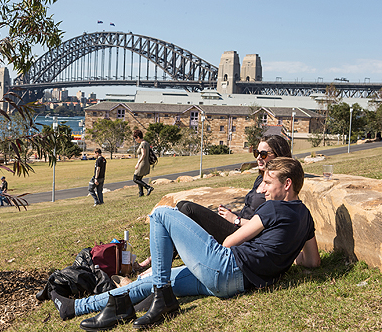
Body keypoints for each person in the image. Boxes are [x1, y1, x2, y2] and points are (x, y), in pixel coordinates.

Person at [50, 157, 321, 331]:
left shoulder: (274, 209)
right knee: (155, 280)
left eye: (268, 182)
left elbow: (228, 241)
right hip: (240, 284)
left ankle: (162, 297)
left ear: (287, 184)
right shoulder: (305, 217)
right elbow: (312, 262)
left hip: (226, 268)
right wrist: (283, 250)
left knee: (161, 214)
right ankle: (74, 308)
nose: (262, 189)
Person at [177, 134, 292, 243]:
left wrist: (235, 220)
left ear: (278, 155)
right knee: (181, 205)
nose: (258, 158)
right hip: (237, 225)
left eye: (263, 154)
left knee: (188, 209)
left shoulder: (278, 188)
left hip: (244, 235)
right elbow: (250, 210)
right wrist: (231, 214)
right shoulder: (259, 179)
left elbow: (269, 226)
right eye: (256, 153)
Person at [132, 129, 154, 197]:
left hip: (142, 163)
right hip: (145, 163)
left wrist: (138, 163)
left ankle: (148, 187)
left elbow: (143, 154)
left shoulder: (143, 144)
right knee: (139, 179)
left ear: (138, 137)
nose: (135, 140)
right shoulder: (146, 143)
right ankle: (141, 193)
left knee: (135, 179)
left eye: (135, 139)